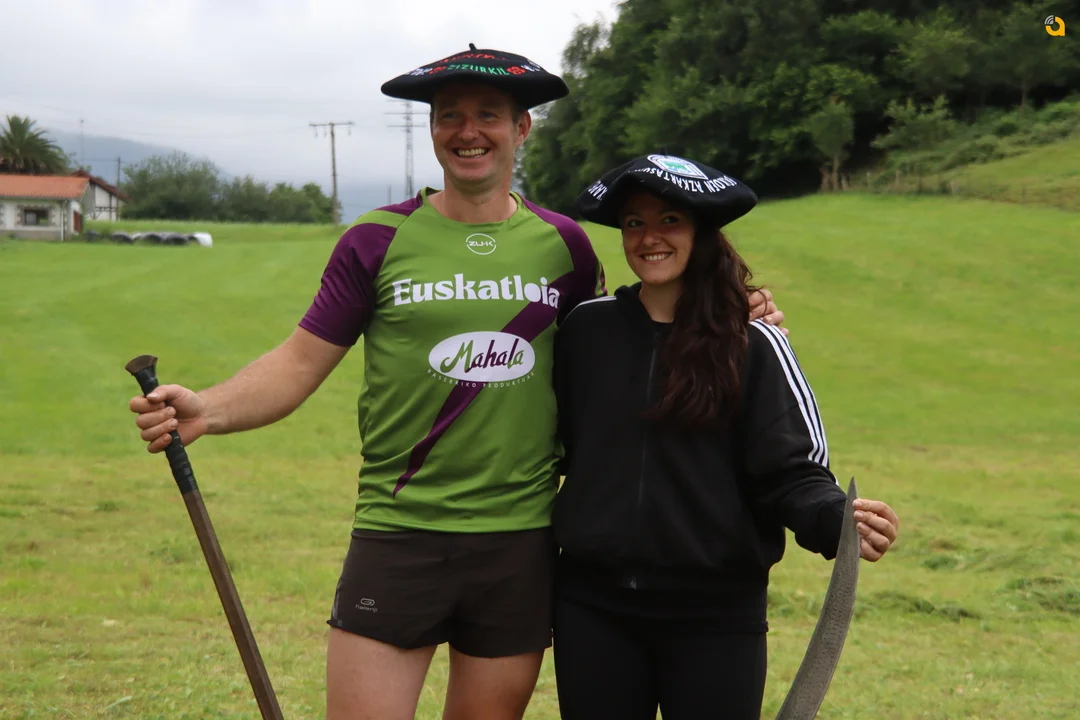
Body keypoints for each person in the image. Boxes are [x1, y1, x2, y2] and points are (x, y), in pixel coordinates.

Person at [127, 47, 787, 720]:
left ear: (522, 128)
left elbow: (626, 338)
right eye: (450, 116)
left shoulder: (565, 246)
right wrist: (208, 409)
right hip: (399, 530)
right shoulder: (375, 240)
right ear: (433, 128)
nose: (468, 132)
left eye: (488, 116)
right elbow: (300, 361)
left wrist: (730, 311)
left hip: (520, 542)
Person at [550, 154, 900, 720]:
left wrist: (836, 519)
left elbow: (792, 470)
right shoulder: (585, 331)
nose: (649, 237)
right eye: (634, 223)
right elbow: (546, 443)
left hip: (715, 616)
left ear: (702, 232)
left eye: (669, 220)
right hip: (592, 608)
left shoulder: (754, 342)